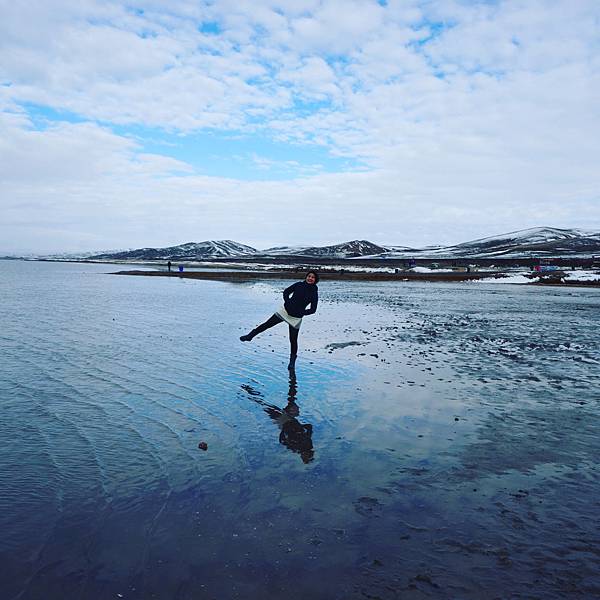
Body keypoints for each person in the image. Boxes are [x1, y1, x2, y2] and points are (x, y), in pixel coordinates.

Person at [240, 271, 319, 370]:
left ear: (315, 280)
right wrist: (287, 302)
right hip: (285, 311)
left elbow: (313, 310)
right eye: (309, 276)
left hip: (296, 318)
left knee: (293, 340)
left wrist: (301, 312)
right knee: (267, 324)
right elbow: (286, 291)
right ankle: (250, 336)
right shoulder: (299, 285)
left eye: (313, 277)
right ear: (306, 277)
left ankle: (292, 362)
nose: (310, 278)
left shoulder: (314, 293)